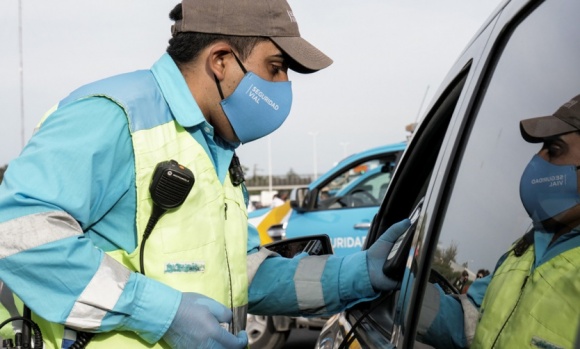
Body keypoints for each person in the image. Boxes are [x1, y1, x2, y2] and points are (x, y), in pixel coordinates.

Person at [0, 1, 413, 348]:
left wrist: (358, 274)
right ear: (220, 61)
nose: (284, 85)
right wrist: (162, 313)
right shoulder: (116, 115)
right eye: (275, 67)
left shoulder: (213, 147)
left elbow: (244, 274)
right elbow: (15, 234)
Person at [411, 94, 580, 348]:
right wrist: (396, 290)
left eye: (554, 150)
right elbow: (472, 322)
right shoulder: (524, 249)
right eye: (541, 148)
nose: (538, 160)